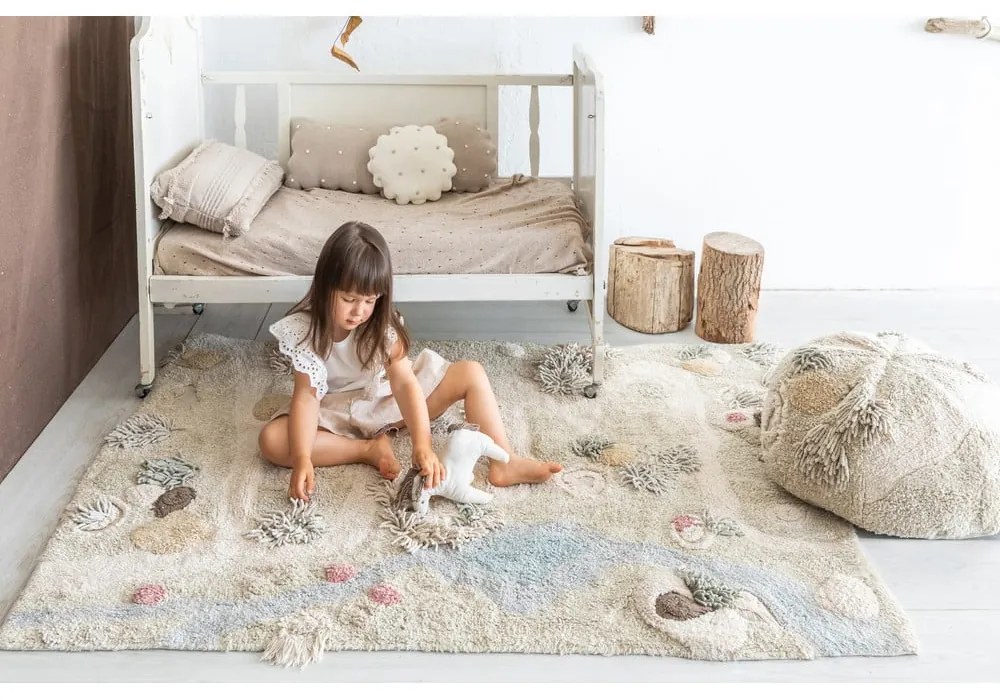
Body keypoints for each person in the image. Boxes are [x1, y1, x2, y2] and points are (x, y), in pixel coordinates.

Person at [258, 221, 563, 501]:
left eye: (369, 300)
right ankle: (366, 449)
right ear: (326, 287)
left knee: (471, 372)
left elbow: (404, 384)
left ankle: (504, 461)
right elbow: (307, 398)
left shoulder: (382, 327)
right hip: (332, 413)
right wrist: (302, 458)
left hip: (382, 401)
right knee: (272, 441)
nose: (359, 311)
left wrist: (422, 444)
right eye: (349, 299)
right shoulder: (304, 331)